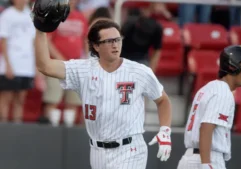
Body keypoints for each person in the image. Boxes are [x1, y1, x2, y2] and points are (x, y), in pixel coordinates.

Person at [31, 0, 172, 168]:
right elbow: (45, 66)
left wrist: (165, 130)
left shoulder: (139, 71)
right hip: (97, 151)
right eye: (109, 41)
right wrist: (40, 29)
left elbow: (162, 99)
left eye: (118, 39)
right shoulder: (83, 69)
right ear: (96, 46)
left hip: (130, 149)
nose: (115, 44)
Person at [177, 45, 241, 169]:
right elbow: (206, 126)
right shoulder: (223, 91)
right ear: (233, 66)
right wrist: (206, 164)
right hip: (208, 157)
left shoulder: (208, 88)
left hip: (190, 158)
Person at [42, 0, 88, 125]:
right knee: (53, 99)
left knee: (73, 102)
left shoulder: (81, 17)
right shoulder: (55, 16)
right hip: (56, 66)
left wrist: (86, 59)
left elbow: (85, 40)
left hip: (75, 66)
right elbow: (47, 40)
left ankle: (69, 133)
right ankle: (49, 130)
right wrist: (60, 57)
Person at [0, 0, 36, 123]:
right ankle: (3, 125)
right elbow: (3, 41)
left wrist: (35, 65)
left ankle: (18, 126)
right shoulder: (7, 15)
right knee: (6, 97)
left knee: (20, 99)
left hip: (26, 65)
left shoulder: (31, 15)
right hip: (10, 64)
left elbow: (34, 40)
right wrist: (7, 65)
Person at [121, 4, 163, 72]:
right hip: (124, 56)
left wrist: (151, 73)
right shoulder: (128, 25)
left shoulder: (157, 28)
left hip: (142, 58)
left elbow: (157, 51)